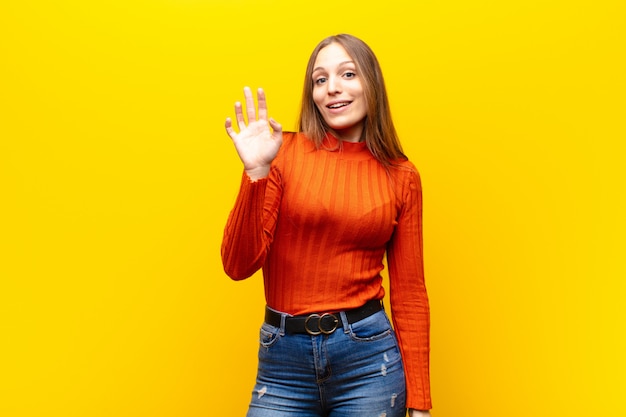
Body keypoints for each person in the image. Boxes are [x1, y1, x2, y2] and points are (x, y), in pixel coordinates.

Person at [221, 34, 432, 417]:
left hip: (369, 363)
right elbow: (237, 265)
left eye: (347, 74)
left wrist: (419, 402)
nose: (332, 88)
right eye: (320, 80)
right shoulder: (280, 152)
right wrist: (256, 172)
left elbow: (411, 293)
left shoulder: (402, 176)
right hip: (283, 363)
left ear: (372, 83)